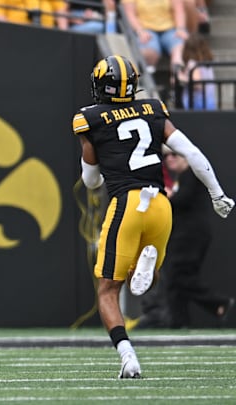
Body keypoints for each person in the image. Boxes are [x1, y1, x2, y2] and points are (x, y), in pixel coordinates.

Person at [73, 55, 233, 378]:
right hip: (161, 204)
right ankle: (142, 267)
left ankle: (127, 355)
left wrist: (103, 174)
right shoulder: (154, 110)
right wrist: (217, 194)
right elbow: (192, 153)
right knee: (149, 278)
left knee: (107, 290)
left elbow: (90, 181)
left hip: (127, 204)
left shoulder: (89, 119)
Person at [161, 147, 234, 328]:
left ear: (185, 156)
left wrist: (168, 197)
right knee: (177, 277)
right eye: (166, 156)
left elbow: (182, 200)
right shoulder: (181, 178)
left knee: (179, 277)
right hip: (184, 234)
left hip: (190, 234)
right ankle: (179, 322)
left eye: (173, 154)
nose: (169, 159)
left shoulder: (192, 174)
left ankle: (218, 303)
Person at [121, 0, 189, 73]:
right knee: (149, 53)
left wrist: (180, 28)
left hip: (170, 29)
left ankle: (177, 77)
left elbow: (179, 10)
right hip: (145, 30)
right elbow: (130, 14)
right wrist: (140, 31)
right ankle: (148, 78)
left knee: (179, 51)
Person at [177, 34, 217, 110]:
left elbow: (197, 83)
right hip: (210, 101)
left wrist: (181, 77)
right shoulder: (207, 64)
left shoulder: (192, 64)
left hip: (196, 103)